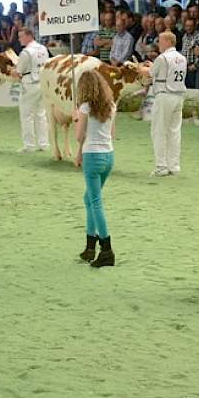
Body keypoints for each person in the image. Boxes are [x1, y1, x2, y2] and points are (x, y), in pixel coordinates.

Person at [74, 69, 118, 268]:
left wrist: (77, 119)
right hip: (108, 155)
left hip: (92, 155)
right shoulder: (111, 105)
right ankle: (90, 245)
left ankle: (106, 249)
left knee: (95, 202)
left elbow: (78, 136)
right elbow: (112, 133)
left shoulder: (84, 107)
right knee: (89, 199)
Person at [146, 31, 186, 177]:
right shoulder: (182, 58)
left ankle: (161, 166)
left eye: (161, 41)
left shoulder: (162, 58)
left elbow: (149, 73)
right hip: (178, 96)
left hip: (164, 96)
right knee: (174, 131)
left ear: (169, 41)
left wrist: (137, 67)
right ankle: (174, 166)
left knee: (159, 131)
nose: (159, 44)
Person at [12, 28, 50, 153]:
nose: (19, 39)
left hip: (29, 83)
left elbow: (18, 72)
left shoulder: (26, 52)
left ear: (29, 36)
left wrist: (13, 71)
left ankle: (29, 145)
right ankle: (43, 144)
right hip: (42, 82)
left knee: (26, 115)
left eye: (21, 36)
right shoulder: (43, 49)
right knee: (41, 114)